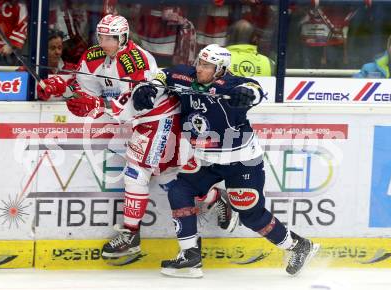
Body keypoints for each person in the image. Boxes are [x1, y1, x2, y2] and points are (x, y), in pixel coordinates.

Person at [36, 14, 235, 259]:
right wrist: (61, 87)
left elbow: (136, 102)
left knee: (137, 172)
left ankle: (131, 234)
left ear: (123, 37)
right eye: (102, 36)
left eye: (111, 38)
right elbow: (83, 90)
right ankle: (215, 197)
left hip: (159, 117)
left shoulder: (136, 60)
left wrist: (96, 104)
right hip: (143, 122)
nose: (105, 42)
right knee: (167, 177)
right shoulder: (93, 55)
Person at [132, 44, 320, 278]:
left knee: (251, 215)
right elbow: (163, 75)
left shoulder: (232, 86)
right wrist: (148, 88)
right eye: (199, 62)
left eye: (207, 66)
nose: (200, 68)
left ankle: (299, 246)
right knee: (179, 190)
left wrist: (248, 95)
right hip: (206, 160)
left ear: (220, 70)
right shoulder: (186, 76)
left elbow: (253, 88)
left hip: (241, 161)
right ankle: (190, 255)